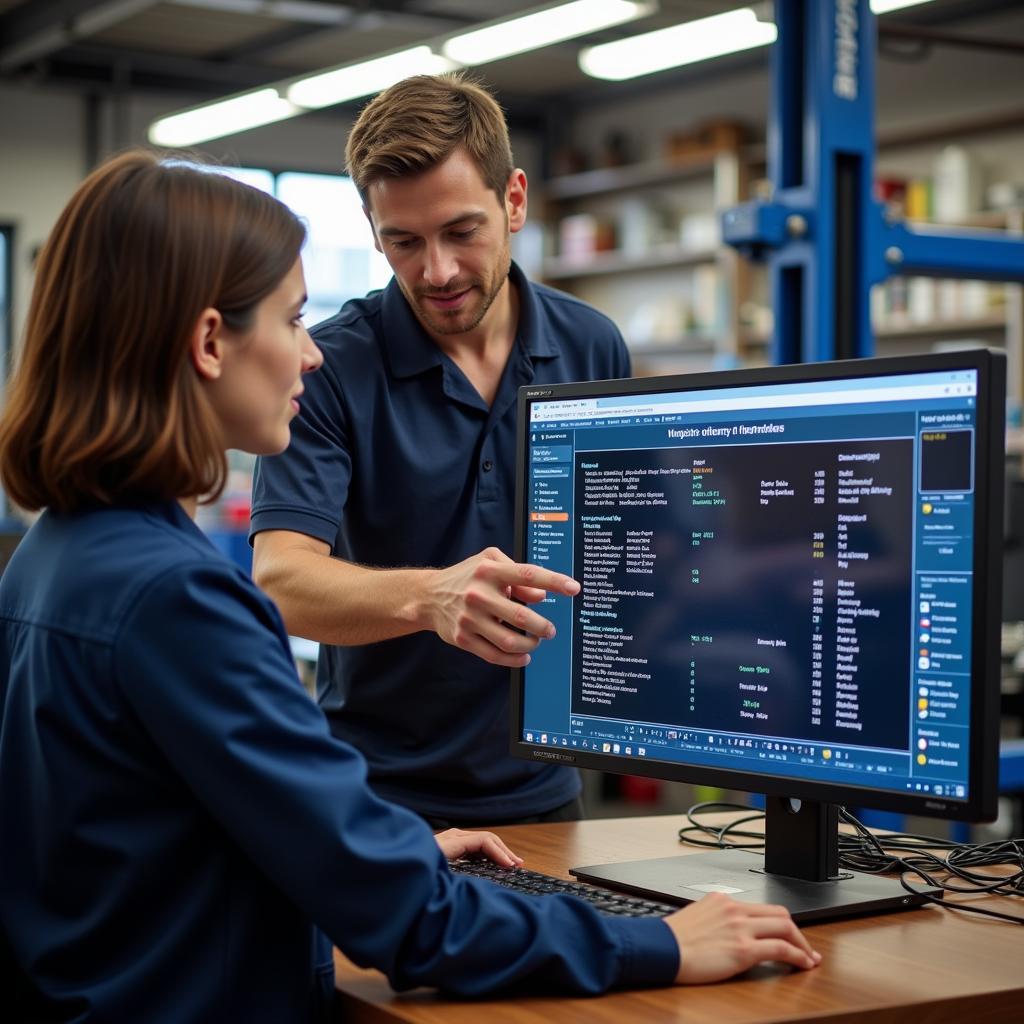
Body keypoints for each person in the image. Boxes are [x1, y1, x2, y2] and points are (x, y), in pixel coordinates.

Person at [0, 151, 820, 1021]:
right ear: (209, 342)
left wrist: (388, 851)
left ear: (512, 204)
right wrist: (662, 942)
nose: (309, 355)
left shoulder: (53, 557)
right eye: (291, 319)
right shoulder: (179, 600)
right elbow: (415, 929)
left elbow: (154, 835)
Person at [250, 73, 629, 828]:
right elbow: (281, 579)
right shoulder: (329, 367)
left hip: (547, 792)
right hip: (375, 805)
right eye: (404, 241)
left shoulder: (593, 344)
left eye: (461, 231)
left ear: (514, 201)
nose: (438, 271)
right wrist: (430, 599)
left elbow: (630, 553)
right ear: (372, 228)